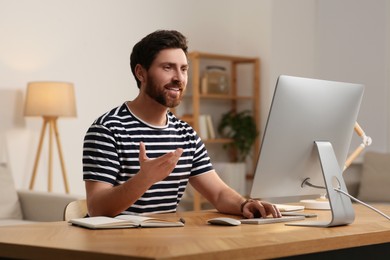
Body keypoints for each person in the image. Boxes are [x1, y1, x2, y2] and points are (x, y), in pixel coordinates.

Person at [83, 29, 281, 219]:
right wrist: (145, 179)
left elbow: (219, 193)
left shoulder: (185, 134)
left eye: (184, 69)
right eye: (167, 67)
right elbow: (97, 208)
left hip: (165, 244)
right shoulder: (107, 129)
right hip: (115, 246)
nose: (179, 78)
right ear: (140, 73)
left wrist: (244, 204)